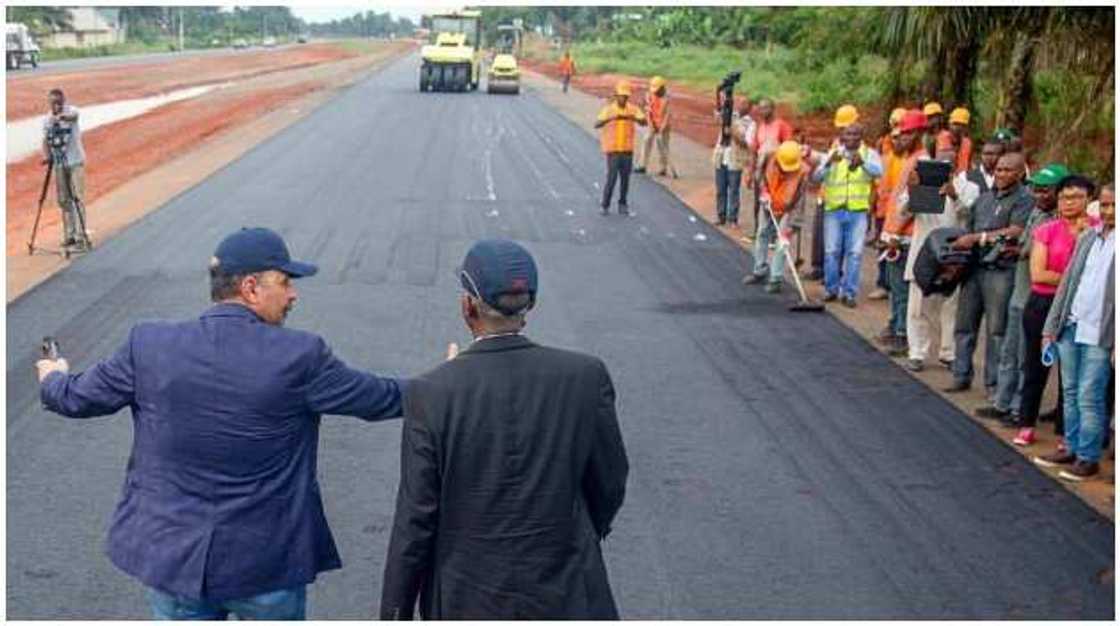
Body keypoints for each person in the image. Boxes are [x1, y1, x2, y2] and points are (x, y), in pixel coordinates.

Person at [34, 227, 406, 620]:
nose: (293, 294)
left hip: (175, 565)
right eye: (285, 282)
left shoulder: (148, 344)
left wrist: (52, 375)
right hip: (266, 569)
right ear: (250, 287)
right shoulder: (300, 355)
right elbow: (383, 398)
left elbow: (72, 398)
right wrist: (457, 382)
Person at [380, 239, 629, 619]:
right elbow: (610, 482)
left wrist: (394, 611)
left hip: (467, 597)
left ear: (468, 306)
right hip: (568, 592)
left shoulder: (432, 392)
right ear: (529, 305)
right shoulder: (585, 375)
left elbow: (415, 520)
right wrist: (576, 534)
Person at [1035, 177, 1114, 481]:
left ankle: (1088, 456)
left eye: (1114, 206)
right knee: (1069, 391)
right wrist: (1052, 326)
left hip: (1100, 333)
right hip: (1072, 325)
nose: (1108, 212)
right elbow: (1068, 283)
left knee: (1089, 393)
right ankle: (1070, 445)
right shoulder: (1089, 238)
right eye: (1104, 205)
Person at [976, 163, 1068, 422]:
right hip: (1020, 289)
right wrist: (1016, 251)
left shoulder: (1062, 224)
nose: (1039, 194)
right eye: (1036, 188)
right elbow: (1027, 244)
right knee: (1009, 349)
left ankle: (1020, 409)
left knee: (1026, 357)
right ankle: (1002, 402)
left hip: (1039, 296)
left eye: (1046, 190)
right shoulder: (1036, 212)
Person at [1008, 174, 1094, 447]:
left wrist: (1068, 277)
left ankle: (1065, 433)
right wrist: (1075, 278)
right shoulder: (1046, 229)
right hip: (1043, 304)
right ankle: (1026, 423)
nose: (1069, 203)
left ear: (1088, 200)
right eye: (1065, 197)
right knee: (1036, 365)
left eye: (1076, 197)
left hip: (1080, 308)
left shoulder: (1097, 231)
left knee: (1071, 373)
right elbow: (1039, 274)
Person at [944, 152, 1034, 394]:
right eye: (999, 169)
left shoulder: (1025, 200)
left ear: (1020, 173)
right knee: (964, 325)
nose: (1001, 173)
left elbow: (1017, 231)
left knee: (997, 330)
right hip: (974, 269)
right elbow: (967, 227)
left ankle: (994, 384)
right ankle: (961, 375)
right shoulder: (984, 199)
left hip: (1000, 271)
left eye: (1008, 170)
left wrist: (978, 238)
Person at [902, 149, 979, 371]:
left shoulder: (969, 188)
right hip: (923, 251)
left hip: (953, 252)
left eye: (948, 164)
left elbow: (970, 216)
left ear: (955, 167)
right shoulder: (921, 184)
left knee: (951, 306)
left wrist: (954, 195)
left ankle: (948, 353)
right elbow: (903, 211)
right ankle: (916, 352)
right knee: (918, 306)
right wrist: (914, 189)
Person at [812, 122, 883, 307]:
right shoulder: (834, 153)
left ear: (861, 137)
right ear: (842, 136)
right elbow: (816, 177)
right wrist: (828, 163)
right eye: (848, 134)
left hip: (858, 211)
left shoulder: (870, 154)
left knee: (855, 253)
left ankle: (849, 293)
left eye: (855, 134)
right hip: (834, 209)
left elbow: (879, 172)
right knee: (831, 252)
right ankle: (831, 289)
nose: (851, 138)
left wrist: (863, 164)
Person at [878, 110, 929, 355]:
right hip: (896, 231)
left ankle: (902, 334)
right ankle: (896, 325)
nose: (904, 138)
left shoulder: (921, 161)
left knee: (901, 287)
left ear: (919, 133)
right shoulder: (910, 159)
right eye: (903, 133)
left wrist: (895, 234)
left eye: (909, 133)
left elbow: (914, 203)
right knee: (895, 284)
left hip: (905, 236)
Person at [741, 140, 810, 292]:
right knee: (762, 233)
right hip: (769, 202)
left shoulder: (802, 172)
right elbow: (761, 177)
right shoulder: (769, 157)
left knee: (781, 244)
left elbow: (800, 204)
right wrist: (763, 192)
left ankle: (775, 279)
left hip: (788, 209)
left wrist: (792, 228)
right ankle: (759, 270)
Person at [42, 88, 89, 251]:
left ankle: (82, 237)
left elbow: (74, 117)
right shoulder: (47, 119)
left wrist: (61, 116)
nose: (55, 105)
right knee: (63, 200)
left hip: (75, 161)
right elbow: (45, 140)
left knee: (78, 198)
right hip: (60, 164)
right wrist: (47, 156)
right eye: (52, 102)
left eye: (58, 102)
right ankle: (70, 235)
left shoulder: (72, 111)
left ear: (64, 101)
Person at [868, 107, 907, 301]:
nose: (896, 140)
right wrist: (872, 208)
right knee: (883, 248)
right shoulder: (883, 159)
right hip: (883, 212)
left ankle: (895, 286)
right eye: (894, 137)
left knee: (899, 251)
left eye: (899, 136)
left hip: (902, 213)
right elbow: (876, 186)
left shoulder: (910, 161)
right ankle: (883, 283)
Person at [595, 81, 647, 216]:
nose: (623, 98)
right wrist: (612, 118)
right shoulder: (609, 109)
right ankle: (605, 205)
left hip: (627, 150)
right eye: (621, 96)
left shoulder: (632, 109)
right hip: (613, 150)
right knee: (611, 178)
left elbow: (644, 122)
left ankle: (622, 204)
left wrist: (633, 118)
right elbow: (597, 124)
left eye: (625, 96)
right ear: (616, 96)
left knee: (625, 179)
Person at [711, 96, 755, 226]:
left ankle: (733, 218)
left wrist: (732, 130)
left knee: (734, 190)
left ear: (750, 108)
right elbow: (718, 119)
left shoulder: (750, 123)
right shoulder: (730, 115)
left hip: (735, 160)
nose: (741, 106)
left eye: (745, 104)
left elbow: (745, 141)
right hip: (721, 156)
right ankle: (721, 216)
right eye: (740, 103)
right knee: (720, 189)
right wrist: (720, 102)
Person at [751, 97, 794, 230]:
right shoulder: (760, 126)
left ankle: (774, 232)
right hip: (761, 170)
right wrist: (751, 171)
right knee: (759, 200)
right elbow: (755, 149)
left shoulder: (781, 126)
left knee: (776, 203)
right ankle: (758, 229)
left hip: (777, 171)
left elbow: (789, 147)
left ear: (772, 109)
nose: (762, 111)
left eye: (766, 108)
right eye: (760, 108)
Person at [635, 76, 677, 178]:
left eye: (658, 90)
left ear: (662, 88)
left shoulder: (667, 98)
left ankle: (663, 168)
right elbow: (648, 111)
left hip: (664, 126)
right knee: (647, 140)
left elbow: (668, 115)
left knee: (662, 145)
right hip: (652, 123)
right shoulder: (649, 95)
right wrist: (651, 125)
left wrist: (662, 128)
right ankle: (642, 165)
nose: (656, 92)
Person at [938, 107, 973, 174]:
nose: (958, 128)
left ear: (966, 127)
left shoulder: (968, 143)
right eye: (955, 123)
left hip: (962, 180)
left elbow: (969, 165)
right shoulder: (938, 139)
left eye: (962, 125)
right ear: (949, 124)